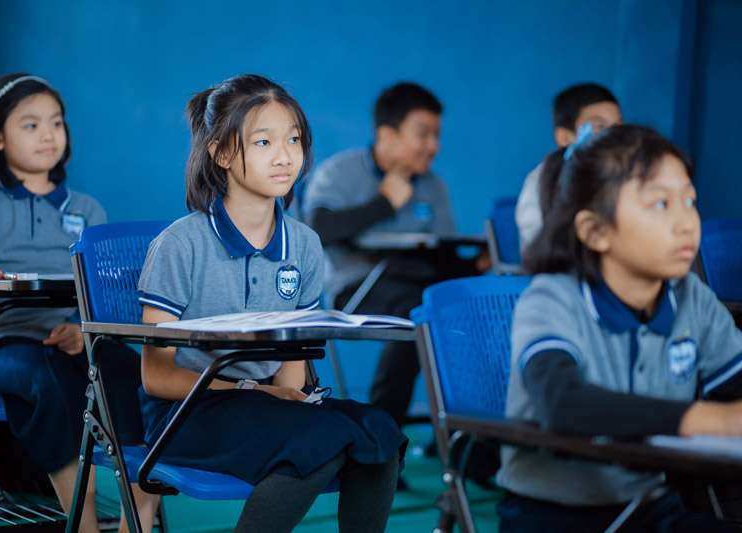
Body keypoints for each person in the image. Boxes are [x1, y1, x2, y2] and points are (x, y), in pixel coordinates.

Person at [137, 74, 407, 533]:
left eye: (294, 140)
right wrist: (253, 391)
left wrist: (284, 397)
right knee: (317, 438)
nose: (285, 157)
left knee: (380, 432)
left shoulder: (304, 244)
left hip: (264, 405)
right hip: (187, 412)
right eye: (263, 142)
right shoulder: (180, 244)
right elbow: (157, 377)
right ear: (221, 153)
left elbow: (291, 367)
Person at [0, 73, 158, 532]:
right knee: (50, 383)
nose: (48, 135)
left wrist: (81, 326)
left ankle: (134, 524)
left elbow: (103, 288)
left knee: (144, 381)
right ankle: (83, 525)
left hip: (81, 341)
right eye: (31, 124)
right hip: (4, 345)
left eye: (56, 123)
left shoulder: (87, 209)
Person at [498, 124, 740, 531]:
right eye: (661, 204)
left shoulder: (691, 296)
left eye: (689, 201)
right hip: (552, 517)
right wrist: (711, 420)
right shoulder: (552, 299)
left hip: (650, 507)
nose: (687, 223)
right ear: (595, 231)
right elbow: (563, 404)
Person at [303, 82, 479, 434]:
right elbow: (319, 228)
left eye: (437, 135)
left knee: (477, 307)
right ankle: (381, 436)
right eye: (423, 134)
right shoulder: (340, 172)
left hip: (420, 282)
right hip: (358, 288)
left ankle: (471, 439)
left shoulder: (433, 186)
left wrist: (477, 265)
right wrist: (384, 203)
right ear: (387, 135)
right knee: (419, 314)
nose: (433, 146)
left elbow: (443, 255)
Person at [515, 83, 621, 251]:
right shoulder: (541, 180)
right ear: (564, 137)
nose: (613, 136)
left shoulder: (625, 175)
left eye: (618, 128)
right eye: (600, 127)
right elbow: (537, 243)